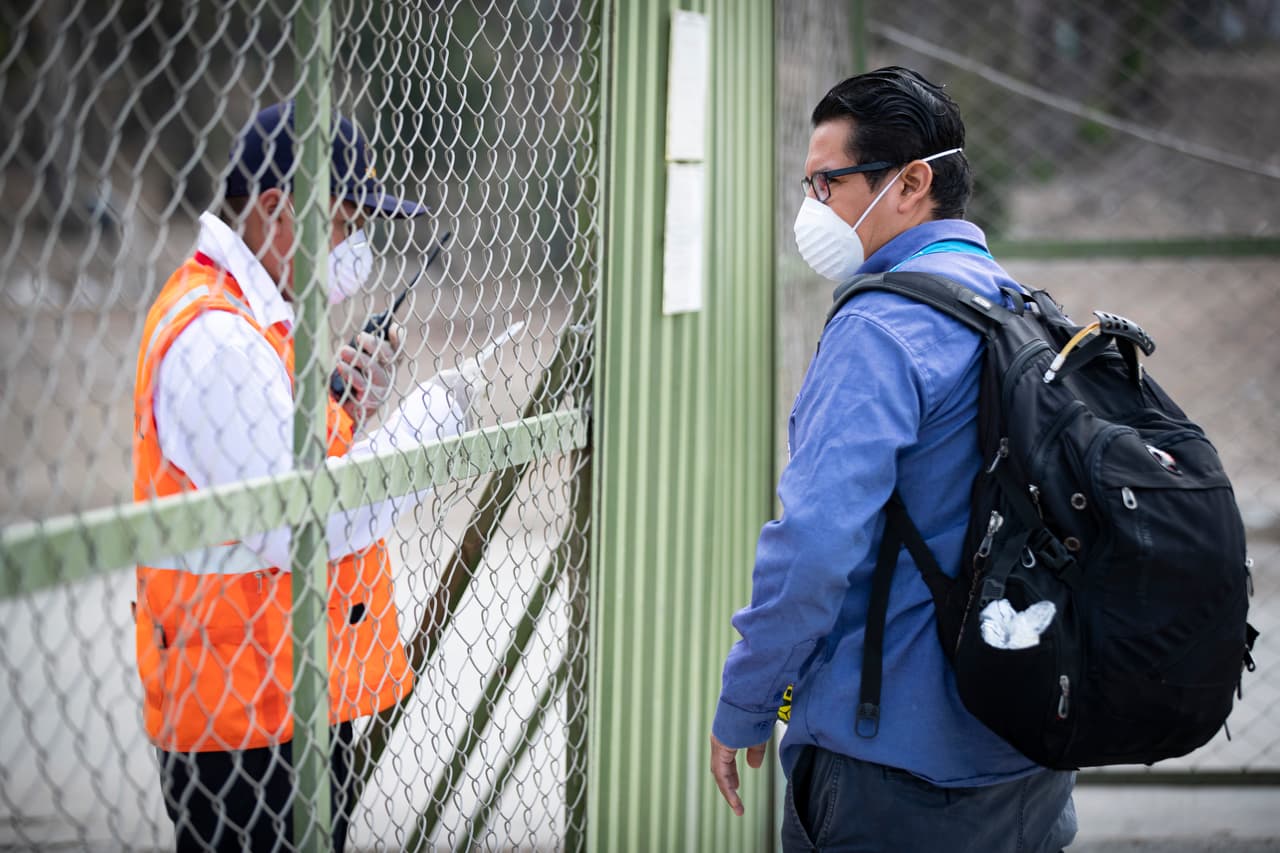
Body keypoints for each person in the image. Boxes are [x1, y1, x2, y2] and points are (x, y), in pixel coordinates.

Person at [709, 67, 1078, 852]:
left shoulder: (879, 328)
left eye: (829, 183)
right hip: (1031, 756)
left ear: (911, 183)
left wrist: (747, 699)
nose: (812, 209)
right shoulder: (1018, 307)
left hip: (895, 777)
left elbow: (813, 546)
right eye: (807, 186)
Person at [132, 101, 476, 852]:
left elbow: (281, 465)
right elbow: (305, 523)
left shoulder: (253, 319)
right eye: (344, 224)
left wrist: (342, 404)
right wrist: (426, 427)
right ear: (274, 210)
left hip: (279, 694)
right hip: (245, 731)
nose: (355, 249)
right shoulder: (220, 339)